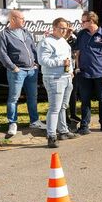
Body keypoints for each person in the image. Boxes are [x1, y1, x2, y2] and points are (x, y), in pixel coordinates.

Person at [0, 9, 45, 138]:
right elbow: (2, 54)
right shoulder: (4, 35)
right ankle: (12, 123)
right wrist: (13, 67)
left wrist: (36, 63)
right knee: (13, 98)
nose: (24, 21)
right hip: (17, 71)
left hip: (31, 70)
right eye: (21, 18)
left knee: (33, 97)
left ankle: (34, 121)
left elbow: (33, 48)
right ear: (13, 20)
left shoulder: (26, 32)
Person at [37, 17, 79, 147]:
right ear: (54, 28)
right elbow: (42, 61)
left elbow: (68, 58)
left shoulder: (63, 41)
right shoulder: (46, 42)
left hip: (66, 77)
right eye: (61, 28)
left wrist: (71, 70)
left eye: (65, 28)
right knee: (54, 108)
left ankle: (63, 131)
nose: (64, 30)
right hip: (54, 78)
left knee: (63, 107)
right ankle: (51, 136)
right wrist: (61, 63)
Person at [75, 11, 102, 134]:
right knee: (85, 100)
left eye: (83, 21)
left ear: (91, 21)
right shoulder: (81, 34)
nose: (81, 24)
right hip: (84, 73)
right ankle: (84, 125)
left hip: (100, 73)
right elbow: (77, 52)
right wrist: (77, 67)